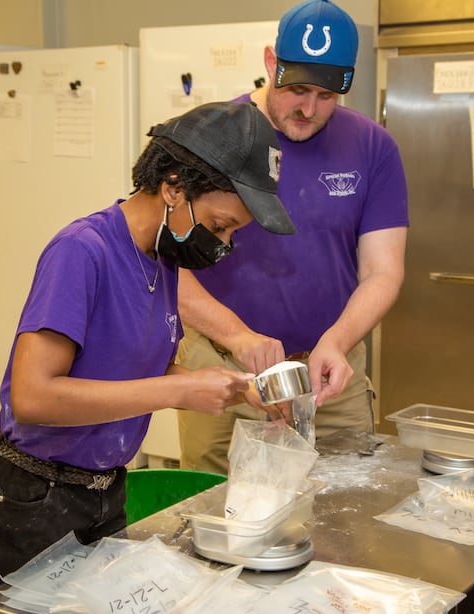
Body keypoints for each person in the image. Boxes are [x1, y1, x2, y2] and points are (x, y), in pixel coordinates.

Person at [0, 101, 295, 593]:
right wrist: (174, 392)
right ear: (173, 186)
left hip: (102, 491)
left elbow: (137, 371)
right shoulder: (82, 251)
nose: (223, 244)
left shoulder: (162, 261)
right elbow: (32, 398)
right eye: (220, 224)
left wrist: (236, 386)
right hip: (30, 498)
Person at [177, 0, 409, 474]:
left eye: (326, 95)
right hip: (222, 366)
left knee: (342, 509)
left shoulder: (373, 147)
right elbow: (165, 263)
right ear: (270, 63)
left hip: (329, 375)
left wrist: (338, 341)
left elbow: (383, 271)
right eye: (297, 88)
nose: (308, 108)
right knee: (211, 513)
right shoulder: (210, 136)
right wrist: (237, 336)